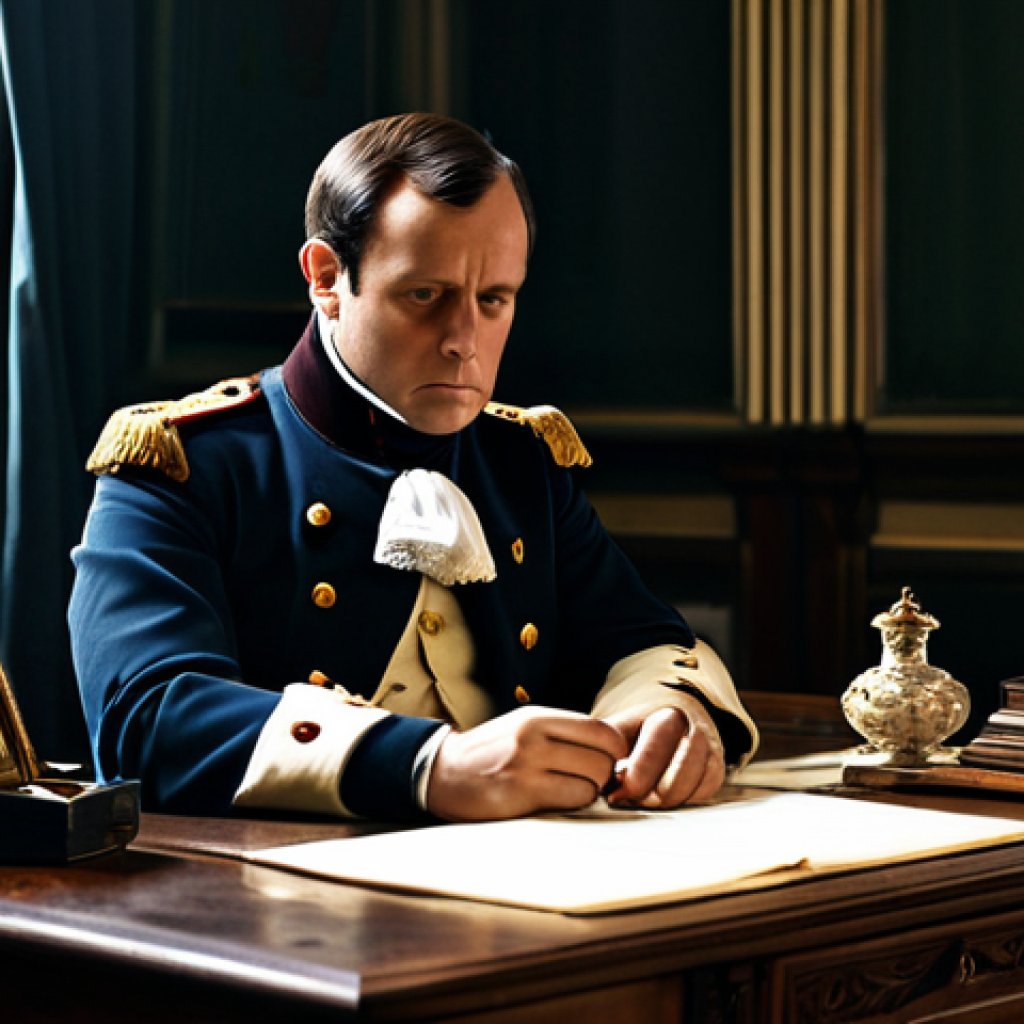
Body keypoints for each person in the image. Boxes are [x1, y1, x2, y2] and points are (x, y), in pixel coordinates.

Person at [69, 113, 757, 822]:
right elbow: (145, 719)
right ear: (327, 277)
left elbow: (641, 640)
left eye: (494, 300)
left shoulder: (521, 462)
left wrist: (672, 713)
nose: (465, 341)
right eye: (424, 295)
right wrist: (427, 765)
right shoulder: (183, 463)